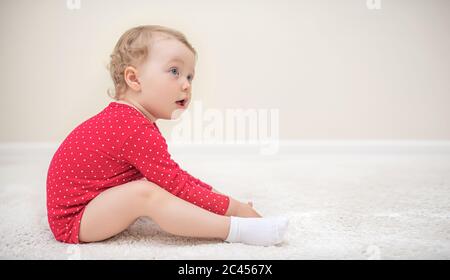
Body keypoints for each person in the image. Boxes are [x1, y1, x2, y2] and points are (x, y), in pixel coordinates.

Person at [46, 25, 289, 246]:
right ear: (134, 79)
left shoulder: (130, 120)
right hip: (75, 220)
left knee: (151, 186)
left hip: (94, 206)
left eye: (190, 76)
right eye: (175, 71)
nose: (186, 85)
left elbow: (178, 179)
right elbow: (177, 187)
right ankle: (235, 230)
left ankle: (231, 219)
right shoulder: (132, 128)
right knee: (144, 193)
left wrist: (224, 201)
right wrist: (233, 209)